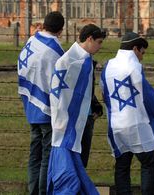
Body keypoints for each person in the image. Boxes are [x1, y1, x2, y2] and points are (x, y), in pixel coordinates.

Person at [100, 32, 154, 195]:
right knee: (148, 163)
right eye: (142, 52)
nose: (142, 57)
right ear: (135, 49)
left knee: (122, 166)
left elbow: (104, 94)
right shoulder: (133, 67)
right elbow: (145, 92)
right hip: (135, 123)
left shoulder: (108, 66)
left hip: (116, 125)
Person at [47, 23, 106, 195]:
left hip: (78, 121)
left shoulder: (81, 60)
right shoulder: (72, 62)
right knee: (70, 173)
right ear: (89, 39)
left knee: (78, 165)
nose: (100, 47)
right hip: (69, 125)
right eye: (99, 42)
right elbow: (62, 94)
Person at [17, 11, 65, 195]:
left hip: (31, 105)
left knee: (34, 154)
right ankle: (43, 192)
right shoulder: (55, 50)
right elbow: (59, 80)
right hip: (46, 109)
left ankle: (32, 191)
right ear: (61, 30)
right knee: (46, 155)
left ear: (44, 24)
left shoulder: (31, 42)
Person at [80, 59, 104, 168]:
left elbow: (88, 91)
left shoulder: (88, 65)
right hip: (79, 118)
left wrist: (96, 106)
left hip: (88, 116)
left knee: (82, 159)